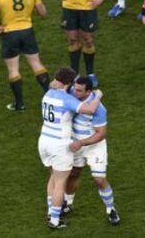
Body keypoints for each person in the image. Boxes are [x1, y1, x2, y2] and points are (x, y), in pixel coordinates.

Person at [38, 67, 102, 229]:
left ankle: (50, 211)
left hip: (44, 140)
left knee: (53, 176)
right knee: (60, 183)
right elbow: (90, 109)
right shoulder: (66, 100)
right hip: (59, 144)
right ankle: (54, 220)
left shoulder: (48, 92)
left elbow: (55, 82)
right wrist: (98, 95)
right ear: (69, 83)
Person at [61, 76, 120, 225]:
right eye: (75, 88)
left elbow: (101, 134)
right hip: (76, 145)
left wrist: (81, 142)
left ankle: (111, 210)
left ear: (88, 92)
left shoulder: (99, 109)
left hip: (93, 147)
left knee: (99, 179)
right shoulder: (73, 95)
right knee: (73, 174)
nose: (75, 92)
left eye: (79, 90)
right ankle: (68, 203)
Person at [0, 0, 50, 111]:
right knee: (36, 64)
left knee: (13, 69)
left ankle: (20, 104)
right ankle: (52, 97)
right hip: (28, 31)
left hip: (9, 33)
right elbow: (43, 13)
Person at [57, 0, 106, 87]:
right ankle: (74, 75)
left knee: (89, 40)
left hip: (88, 6)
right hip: (69, 6)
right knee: (72, 40)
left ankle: (90, 74)